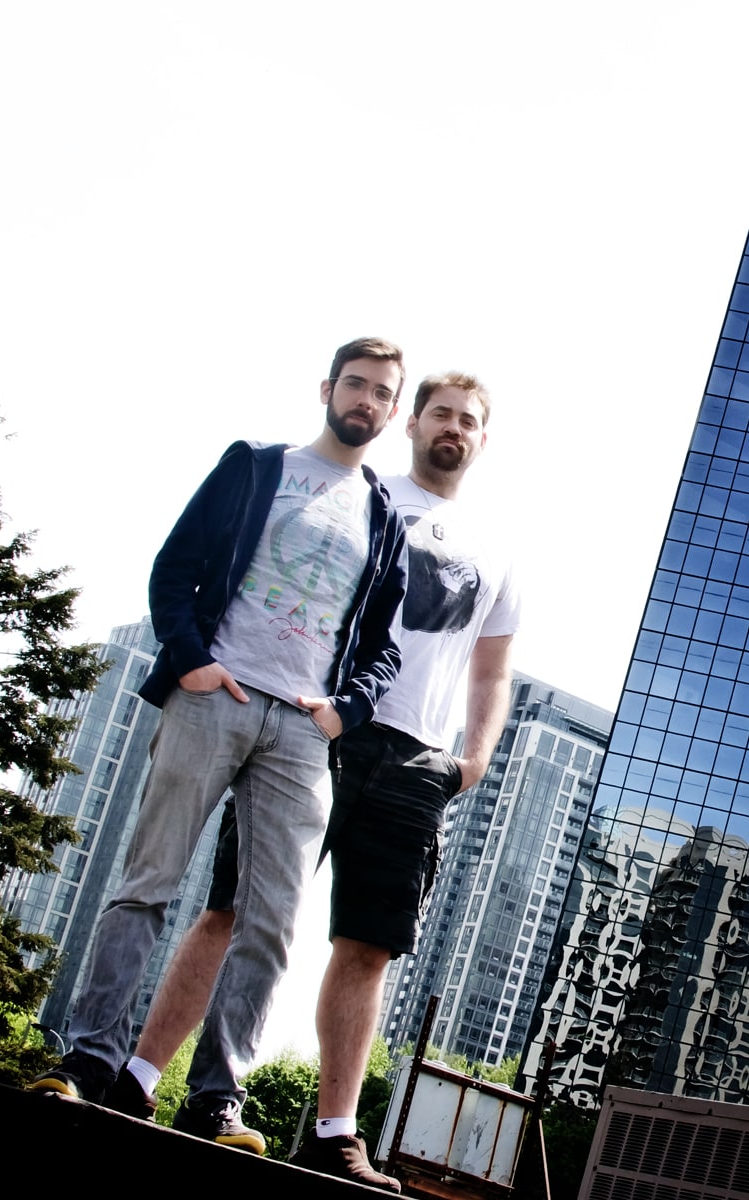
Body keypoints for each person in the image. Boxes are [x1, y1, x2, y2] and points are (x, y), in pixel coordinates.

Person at [124, 372, 517, 1189]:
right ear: (410, 421)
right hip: (317, 725)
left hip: (416, 759)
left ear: (483, 438)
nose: (452, 427)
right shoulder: (365, 498)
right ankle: (139, 1080)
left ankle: (335, 1131)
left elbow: (491, 672)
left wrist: (471, 759)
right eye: (439, 412)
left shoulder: (500, 550)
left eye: (468, 420)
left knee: (368, 944)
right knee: (232, 908)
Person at [29, 338, 412, 1157]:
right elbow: (174, 568)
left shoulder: (382, 515)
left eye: (382, 393)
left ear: (391, 410)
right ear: (327, 389)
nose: (366, 401)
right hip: (216, 700)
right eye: (356, 384)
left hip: (304, 735)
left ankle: (214, 1101)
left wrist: (346, 709)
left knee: (271, 920)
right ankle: (89, 1062)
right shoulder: (255, 465)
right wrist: (194, 663)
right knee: (147, 884)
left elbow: (383, 645)